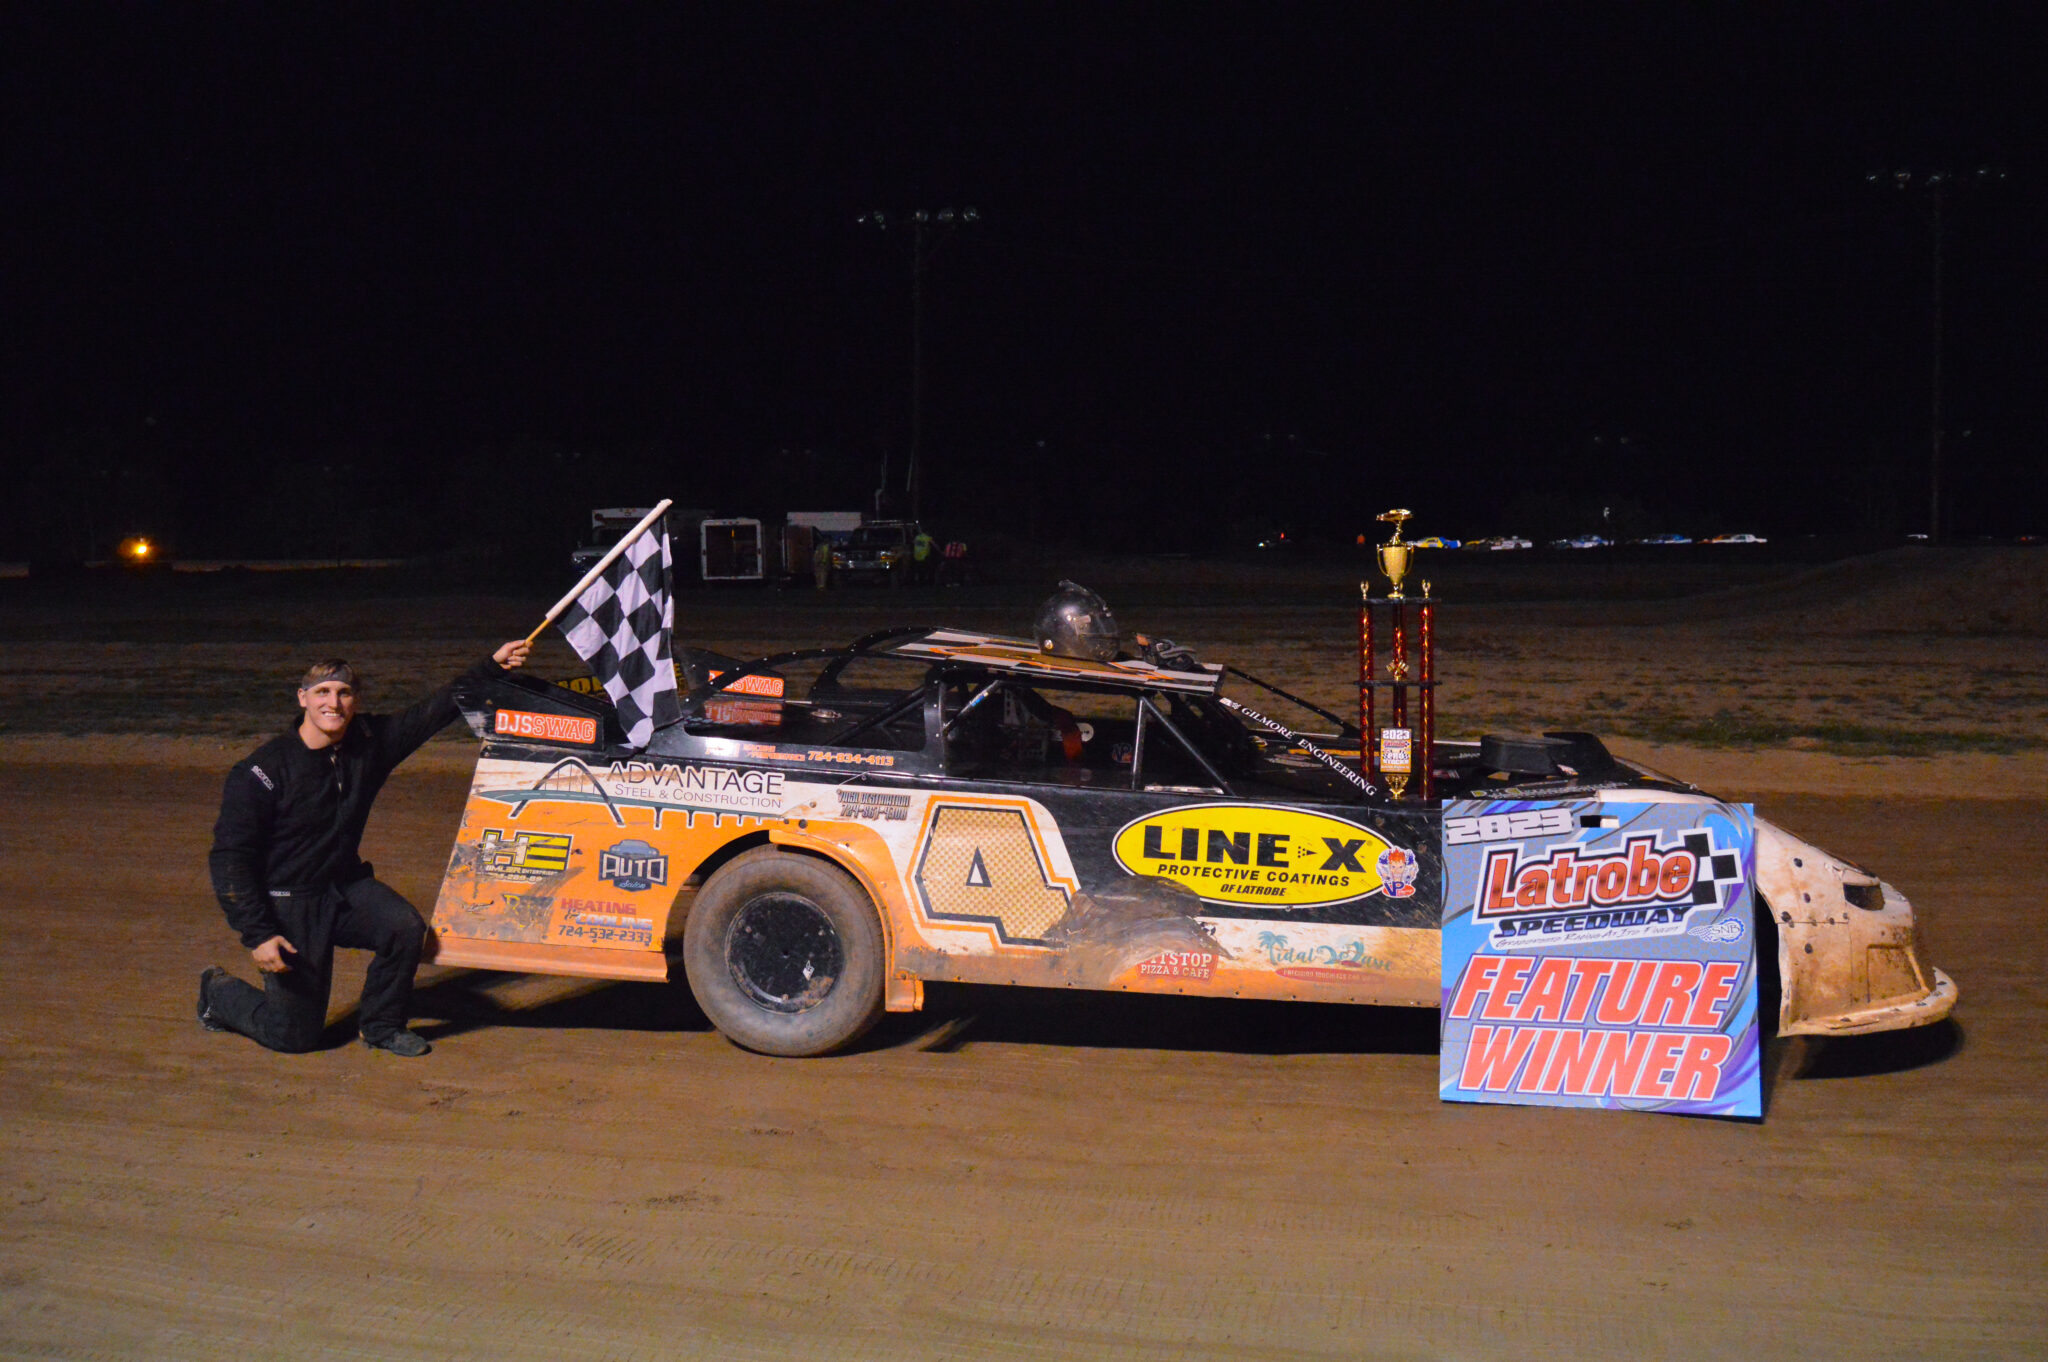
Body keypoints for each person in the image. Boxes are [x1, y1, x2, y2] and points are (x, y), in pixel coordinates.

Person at [197, 640, 531, 1057]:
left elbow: (434, 711)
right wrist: (259, 934)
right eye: (322, 692)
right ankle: (217, 991)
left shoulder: (370, 743)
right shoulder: (263, 771)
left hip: (344, 887)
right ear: (302, 698)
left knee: (404, 928)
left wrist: (492, 667)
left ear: (354, 700)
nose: (333, 702)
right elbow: (230, 858)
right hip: (291, 901)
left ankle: (381, 1026)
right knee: (294, 1037)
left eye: (343, 692)